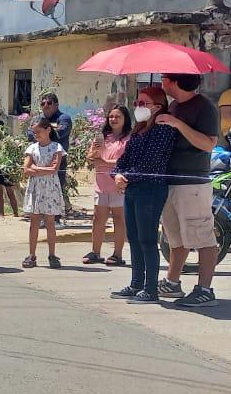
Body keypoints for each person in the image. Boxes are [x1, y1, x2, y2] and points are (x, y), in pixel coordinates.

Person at [157, 73, 221, 307]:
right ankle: (172, 282)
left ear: (174, 81)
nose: (161, 82)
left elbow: (209, 143)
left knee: (201, 235)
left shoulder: (204, 107)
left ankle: (205, 289)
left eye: (164, 78)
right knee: (174, 235)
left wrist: (178, 124)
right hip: (170, 179)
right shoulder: (174, 105)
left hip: (193, 181)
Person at [110, 87, 179, 304]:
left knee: (147, 240)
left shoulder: (163, 130)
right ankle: (136, 283)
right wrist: (117, 174)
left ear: (158, 107)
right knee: (134, 239)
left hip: (150, 188)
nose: (139, 107)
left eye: (144, 103)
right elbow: (124, 159)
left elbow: (150, 164)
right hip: (133, 188)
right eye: (137, 102)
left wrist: (125, 176)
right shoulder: (138, 130)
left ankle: (151, 289)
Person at [83, 106, 131, 266]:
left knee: (119, 219)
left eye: (117, 116)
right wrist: (94, 154)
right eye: (111, 116)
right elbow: (91, 158)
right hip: (101, 183)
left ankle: (117, 254)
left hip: (119, 185)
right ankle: (95, 252)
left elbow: (124, 162)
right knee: (98, 219)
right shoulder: (102, 137)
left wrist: (103, 162)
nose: (113, 119)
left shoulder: (129, 139)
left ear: (125, 119)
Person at [22, 117, 65, 269]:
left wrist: (37, 169)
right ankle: (31, 255)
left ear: (48, 130)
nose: (36, 135)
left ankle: (52, 254)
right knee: (34, 222)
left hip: (50, 188)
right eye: (34, 132)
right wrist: (44, 170)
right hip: (36, 188)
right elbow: (26, 169)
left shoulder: (57, 147)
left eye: (39, 131)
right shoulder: (32, 148)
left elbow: (55, 169)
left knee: (50, 222)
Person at [33, 93, 72, 211]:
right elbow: (30, 134)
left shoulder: (64, 118)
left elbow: (60, 133)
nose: (46, 106)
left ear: (56, 105)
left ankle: (56, 218)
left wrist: (42, 130)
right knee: (40, 189)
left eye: (49, 103)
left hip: (57, 159)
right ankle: (42, 216)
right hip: (39, 158)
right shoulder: (38, 119)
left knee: (57, 187)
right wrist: (50, 129)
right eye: (43, 103)